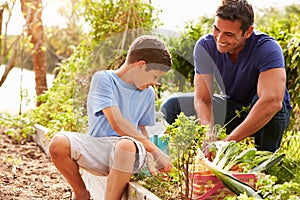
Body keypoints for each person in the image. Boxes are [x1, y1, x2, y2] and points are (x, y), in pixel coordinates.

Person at [48, 35, 173, 200]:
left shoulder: (148, 93)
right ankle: (81, 193)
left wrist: (149, 158)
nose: (154, 83)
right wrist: (156, 151)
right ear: (141, 66)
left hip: (130, 153)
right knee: (58, 143)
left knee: (126, 145)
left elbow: (142, 128)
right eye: (155, 76)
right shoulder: (104, 79)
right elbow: (118, 124)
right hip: (99, 148)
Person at [160, 0, 291, 152]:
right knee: (172, 106)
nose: (220, 39)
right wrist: (208, 135)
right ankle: (199, 157)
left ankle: (261, 162)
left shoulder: (267, 48)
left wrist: (227, 142)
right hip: (234, 106)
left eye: (229, 34)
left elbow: (272, 101)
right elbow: (202, 98)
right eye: (217, 29)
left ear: (248, 32)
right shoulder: (205, 46)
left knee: (265, 103)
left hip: (268, 114)